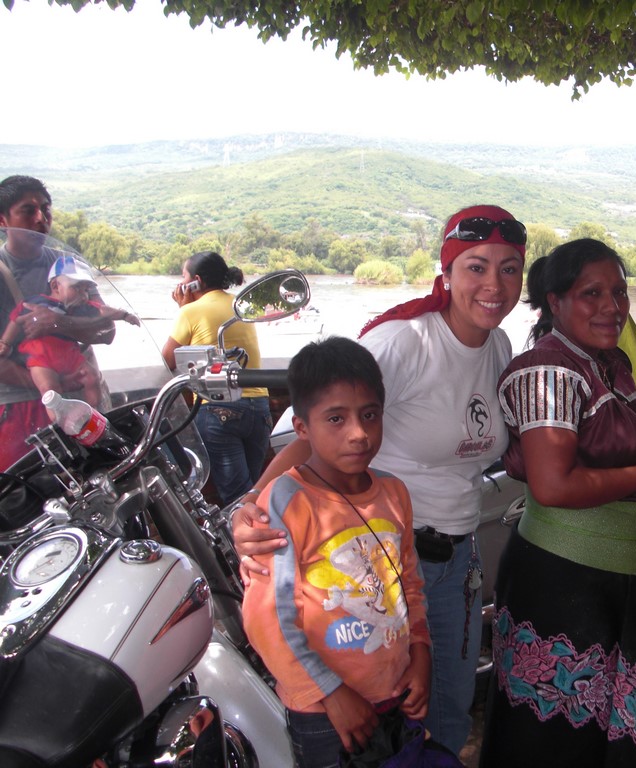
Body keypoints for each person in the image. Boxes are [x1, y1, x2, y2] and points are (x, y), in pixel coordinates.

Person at [232, 204, 527, 755]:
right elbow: (321, 421)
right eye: (476, 267)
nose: (493, 284)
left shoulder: (500, 349)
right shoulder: (404, 342)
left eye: (509, 269)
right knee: (375, 727)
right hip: (376, 556)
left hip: (455, 558)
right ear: (448, 272)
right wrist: (252, 506)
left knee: (445, 712)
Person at [479, 238, 636, 768]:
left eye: (619, 293)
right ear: (554, 302)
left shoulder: (609, 362)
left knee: (607, 730)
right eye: (591, 293)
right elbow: (552, 486)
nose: (612, 307)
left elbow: (609, 438)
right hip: (564, 583)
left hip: (620, 577)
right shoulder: (549, 373)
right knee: (559, 738)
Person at [241, 337, 431, 766]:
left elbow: (410, 586)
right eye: (336, 419)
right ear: (301, 428)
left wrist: (421, 654)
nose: (359, 434)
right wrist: (330, 692)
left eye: (369, 415)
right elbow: (266, 617)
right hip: (324, 710)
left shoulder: (394, 493)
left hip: (395, 692)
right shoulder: (287, 501)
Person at [0, 175, 117, 469]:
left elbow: (107, 329)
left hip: (81, 402)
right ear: (3, 220)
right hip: (19, 406)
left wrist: (57, 324)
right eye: (28, 210)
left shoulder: (68, 266)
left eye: (46, 208)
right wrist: (55, 386)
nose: (41, 218)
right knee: (26, 495)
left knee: (98, 482)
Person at [161, 250, 272, 505]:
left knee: (237, 502)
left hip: (219, 409)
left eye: (183, 277)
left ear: (196, 281)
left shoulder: (190, 311)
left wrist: (184, 309)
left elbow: (168, 359)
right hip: (259, 407)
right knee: (251, 494)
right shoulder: (241, 305)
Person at [0, 255, 139, 406]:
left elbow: (104, 315)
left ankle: (92, 412)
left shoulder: (79, 307)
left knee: (91, 378)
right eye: (77, 288)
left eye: (86, 290)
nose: (83, 295)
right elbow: (17, 319)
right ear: (55, 286)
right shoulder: (39, 303)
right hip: (41, 357)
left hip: (69, 355)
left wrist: (125, 315)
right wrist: (5, 343)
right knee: (49, 389)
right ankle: (59, 416)